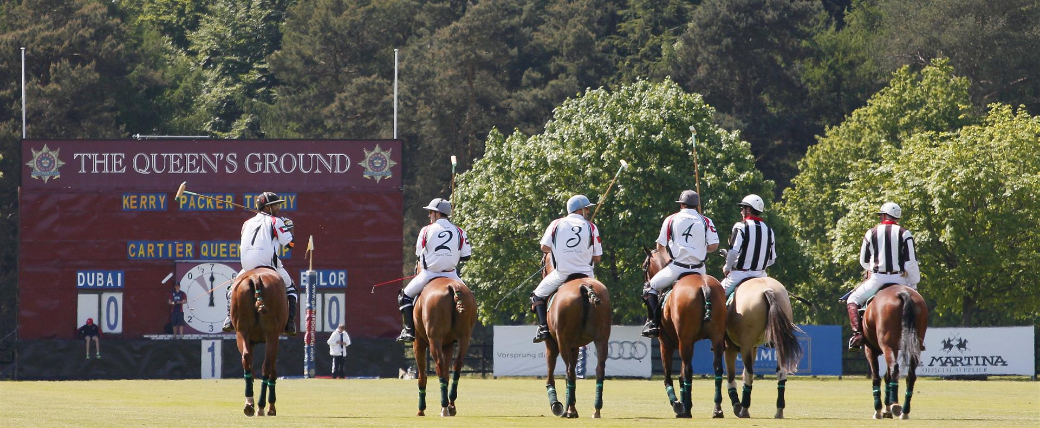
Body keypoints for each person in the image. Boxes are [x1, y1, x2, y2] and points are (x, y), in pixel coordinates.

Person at [641, 190, 719, 337]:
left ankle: (653, 323)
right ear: (696, 205)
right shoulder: (706, 221)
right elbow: (714, 246)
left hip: (677, 267)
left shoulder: (671, 219)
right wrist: (700, 248)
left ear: (682, 204)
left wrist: (668, 260)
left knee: (650, 287)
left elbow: (660, 246)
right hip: (699, 269)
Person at [846, 202, 920, 351]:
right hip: (900, 279)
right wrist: (913, 282)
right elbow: (911, 262)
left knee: (852, 300)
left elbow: (863, 261)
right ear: (896, 218)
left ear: (884, 216)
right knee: (917, 303)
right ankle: (917, 336)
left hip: (877, 279)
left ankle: (858, 335)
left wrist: (872, 269)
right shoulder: (905, 233)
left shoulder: (870, 233)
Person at [222, 191, 298, 336]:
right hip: (270, 265)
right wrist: (290, 228)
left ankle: (228, 320)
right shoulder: (276, 221)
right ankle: (290, 323)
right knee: (291, 289)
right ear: (268, 207)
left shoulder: (246, 223)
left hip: (247, 267)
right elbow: (290, 244)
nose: (278, 208)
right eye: (275, 205)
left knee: (231, 290)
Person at [396, 198, 472, 343]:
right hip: (451, 274)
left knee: (405, 296)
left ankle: (408, 331)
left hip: (429, 274)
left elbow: (418, 253)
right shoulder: (460, 231)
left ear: (437, 214)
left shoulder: (426, 230)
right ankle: (463, 329)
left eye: (431, 212)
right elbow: (466, 256)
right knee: (469, 297)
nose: (429, 215)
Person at [531, 195, 603, 343]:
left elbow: (544, 247)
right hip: (587, 276)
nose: (588, 212)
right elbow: (597, 258)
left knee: (537, 295)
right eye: (587, 208)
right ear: (581, 210)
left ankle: (543, 327)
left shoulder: (556, 224)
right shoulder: (591, 227)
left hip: (562, 273)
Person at [720, 194, 776, 301]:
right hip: (762, 276)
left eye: (742, 208)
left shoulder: (740, 226)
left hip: (739, 274)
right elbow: (772, 260)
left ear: (748, 209)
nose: (741, 211)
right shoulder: (769, 230)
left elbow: (733, 252)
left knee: (714, 299)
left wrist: (727, 267)